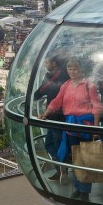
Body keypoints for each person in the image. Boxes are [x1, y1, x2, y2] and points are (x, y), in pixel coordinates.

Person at [39, 57, 103, 201]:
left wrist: (95, 128)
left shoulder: (89, 86)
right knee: (75, 160)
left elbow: (96, 107)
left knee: (84, 160)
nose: (72, 72)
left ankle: (84, 192)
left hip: (84, 127)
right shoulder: (66, 86)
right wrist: (46, 113)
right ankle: (78, 188)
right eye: (69, 69)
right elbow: (57, 102)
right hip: (70, 127)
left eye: (75, 69)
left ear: (81, 70)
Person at [34, 53, 69, 181]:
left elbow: (50, 93)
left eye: (47, 63)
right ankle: (61, 169)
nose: (45, 65)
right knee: (50, 144)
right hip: (51, 116)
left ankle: (62, 169)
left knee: (57, 144)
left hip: (59, 116)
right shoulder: (49, 77)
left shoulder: (63, 78)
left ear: (54, 64)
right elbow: (41, 91)